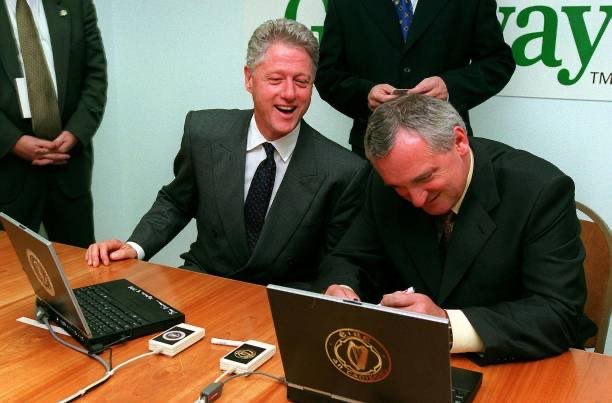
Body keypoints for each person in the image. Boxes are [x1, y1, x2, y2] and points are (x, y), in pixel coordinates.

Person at [85, 19, 368, 289]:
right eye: (276, 79)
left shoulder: (342, 171)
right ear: (249, 79)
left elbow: (338, 258)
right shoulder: (204, 132)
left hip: (280, 301)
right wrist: (134, 247)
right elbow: (176, 202)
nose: (289, 93)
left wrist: (339, 286)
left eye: (302, 82)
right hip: (206, 283)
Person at [318, 93, 596, 365]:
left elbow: (557, 313)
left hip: (517, 364)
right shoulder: (386, 182)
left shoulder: (540, 190)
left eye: (425, 178)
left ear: (460, 142)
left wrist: (447, 324)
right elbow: (349, 257)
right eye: (400, 188)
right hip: (413, 361)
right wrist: (342, 288)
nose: (417, 199)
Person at [314, 0, 516, 157]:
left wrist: (449, 88)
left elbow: (499, 62)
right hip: (375, 150)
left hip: (445, 145)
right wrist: (365, 95)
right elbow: (327, 74)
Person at [0, 0, 107, 247]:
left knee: (80, 272)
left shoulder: (77, 5)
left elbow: (96, 76)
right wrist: (12, 140)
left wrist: (76, 132)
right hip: (8, 170)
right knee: (10, 274)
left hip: (68, 167)